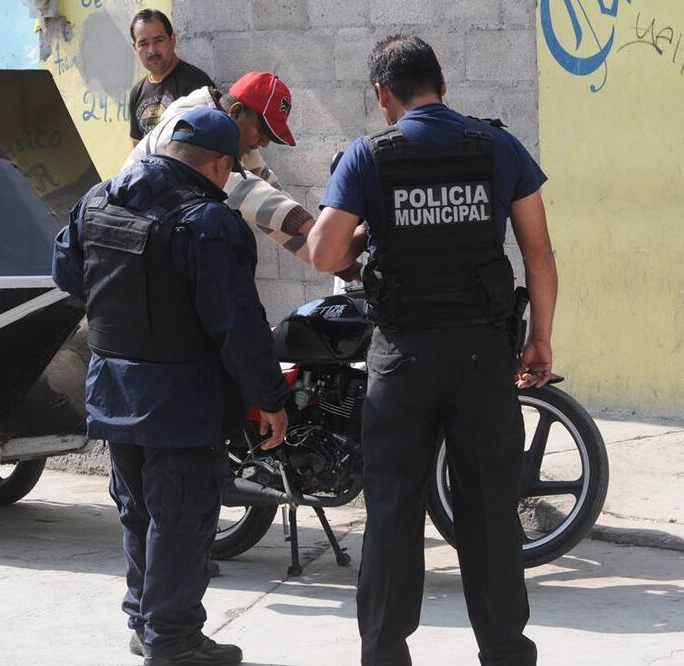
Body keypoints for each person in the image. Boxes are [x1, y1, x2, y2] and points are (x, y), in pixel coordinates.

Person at [309, 35, 555, 666]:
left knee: (393, 512)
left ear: (382, 95)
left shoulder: (368, 156)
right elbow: (538, 253)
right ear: (443, 86)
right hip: (482, 356)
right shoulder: (498, 146)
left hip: (403, 360)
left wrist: (370, 230)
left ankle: (384, 654)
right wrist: (540, 338)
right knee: (490, 513)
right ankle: (506, 654)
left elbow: (324, 253)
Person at [53, 107, 290, 666]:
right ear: (221, 164)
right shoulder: (208, 223)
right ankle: (173, 641)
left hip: (114, 391)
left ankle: (146, 623)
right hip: (181, 402)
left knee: (139, 512)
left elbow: (67, 274)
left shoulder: (99, 198)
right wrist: (270, 399)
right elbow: (237, 323)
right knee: (182, 520)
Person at [125, 71, 361, 278]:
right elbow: (241, 190)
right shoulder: (186, 126)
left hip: (154, 245)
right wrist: (310, 226)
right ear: (236, 112)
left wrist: (340, 264)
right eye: (262, 132)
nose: (264, 143)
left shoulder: (227, 132)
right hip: (131, 245)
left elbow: (269, 194)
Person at [128, 9, 214, 145]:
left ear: (172, 40)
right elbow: (138, 147)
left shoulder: (197, 84)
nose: (152, 50)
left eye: (158, 40)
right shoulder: (137, 93)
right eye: (143, 44)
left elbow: (213, 142)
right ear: (135, 48)